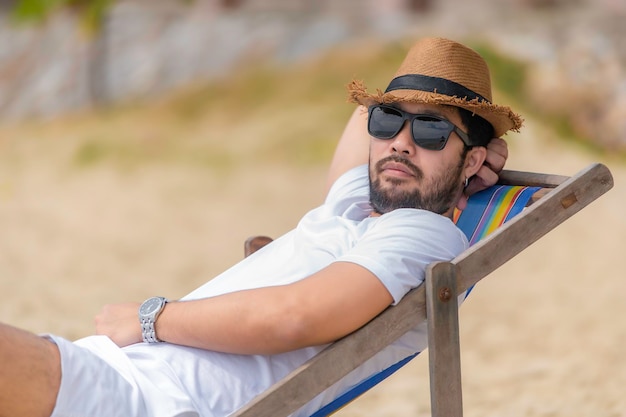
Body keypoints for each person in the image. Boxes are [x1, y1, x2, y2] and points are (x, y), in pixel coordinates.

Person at [0, 37, 521, 417]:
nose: (400, 143)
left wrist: (150, 318)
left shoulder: (420, 234)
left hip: (152, 401)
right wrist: (458, 147)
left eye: (429, 130)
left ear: (472, 161)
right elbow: (362, 116)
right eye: (390, 122)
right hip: (119, 372)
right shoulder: (355, 205)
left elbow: (295, 317)